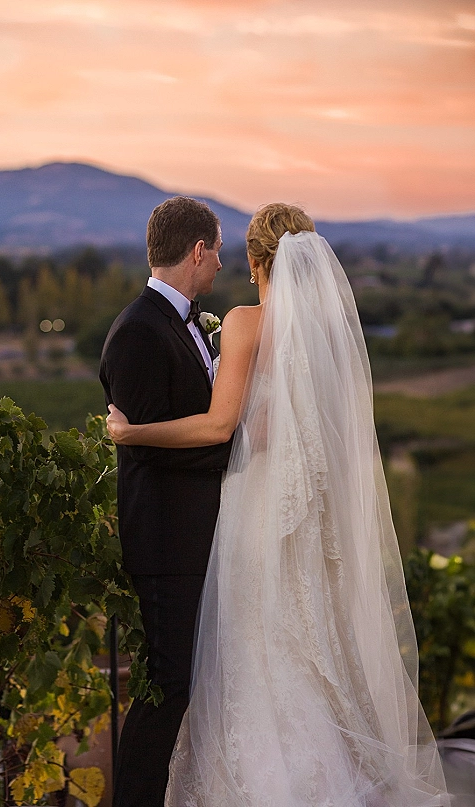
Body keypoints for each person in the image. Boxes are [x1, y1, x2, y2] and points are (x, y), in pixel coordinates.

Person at [107, 203, 450, 807]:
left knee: (250, 643)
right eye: (212, 248)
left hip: (250, 504)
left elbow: (221, 425)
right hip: (296, 506)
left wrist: (131, 435)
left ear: (256, 259)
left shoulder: (242, 322)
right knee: (298, 640)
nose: (222, 260)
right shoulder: (320, 332)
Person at [99, 196, 233, 807]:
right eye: (218, 251)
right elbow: (154, 448)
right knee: (166, 684)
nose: (221, 264)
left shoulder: (185, 320)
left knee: (180, 681)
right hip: (164, 541)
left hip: (193, 535)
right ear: (197, 250)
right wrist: (236, 452)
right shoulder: (139, 331)